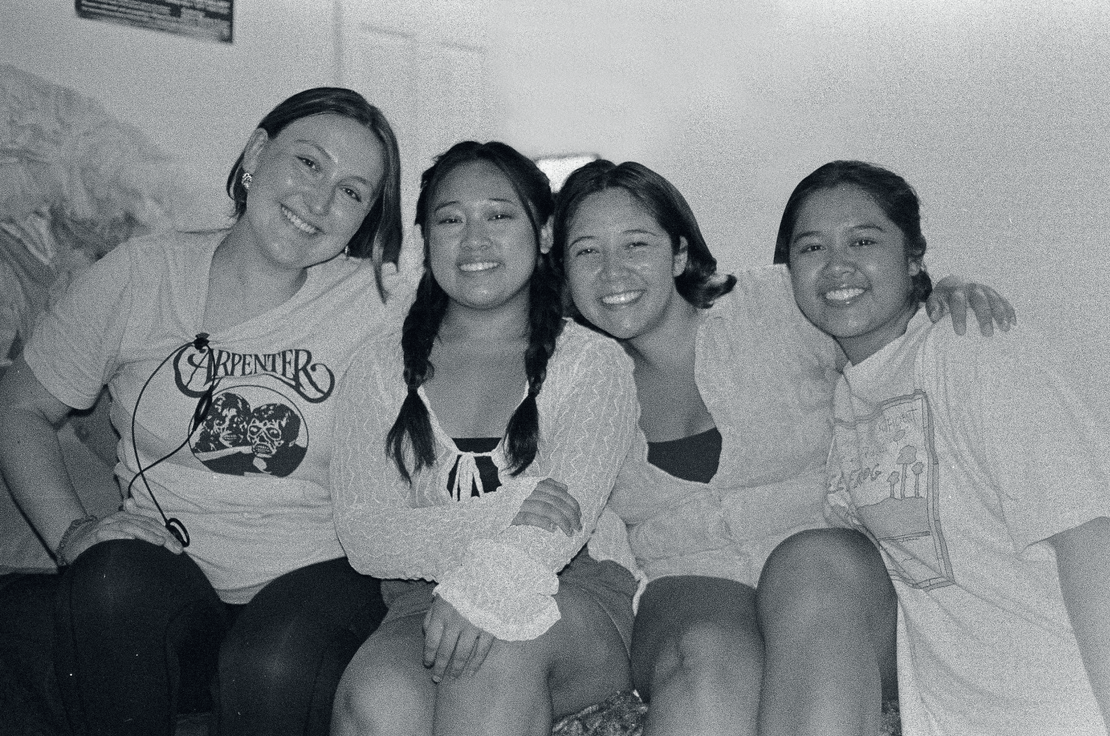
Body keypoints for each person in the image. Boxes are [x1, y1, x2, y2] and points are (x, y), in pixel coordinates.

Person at [550, 159, 1015, 736]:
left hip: (836, 587)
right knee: (706, 666)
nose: (613, 272)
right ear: (564, 274)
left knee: (814, 568)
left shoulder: (773, 304)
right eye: (587, 252)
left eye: (636, 244)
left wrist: (938, 290)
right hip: (690, 594)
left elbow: (879, 324)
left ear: (677, 253)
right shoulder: (573, 382)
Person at [0, 87, 405, 736]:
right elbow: (21, 406)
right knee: (104, 583)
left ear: (364, 219)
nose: (322, 200)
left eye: (354, 191)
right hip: (169, 577)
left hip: (319, 576)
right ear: (255, 156)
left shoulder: (381, 301)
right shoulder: (144, 274)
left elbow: (481, 356)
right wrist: (71, 532)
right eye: (308, 163)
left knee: (271, 665)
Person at [779, 160, 1110, 736]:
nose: (837, 264)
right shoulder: (843, 395)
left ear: (913, 259)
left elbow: (1088, 542)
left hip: (1069, 710)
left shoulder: (974, 351)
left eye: (863, 240)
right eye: (811, 248)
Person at [329, 141, 641, 736]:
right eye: (451, 220)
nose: (474, 240)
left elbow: (561, 526)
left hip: (571, 594)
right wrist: (512, 509)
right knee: (376, 702)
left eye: (499, 215)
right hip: (420, 603)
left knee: (501, 639)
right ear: (427, 240)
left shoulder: (591, 364)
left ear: (544, 233)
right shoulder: (376, 367)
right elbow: (365, 535)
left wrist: (484, 586)